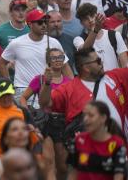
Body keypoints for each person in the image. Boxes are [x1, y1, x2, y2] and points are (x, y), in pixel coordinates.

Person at [39, 47, 128, 145]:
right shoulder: (69, 89)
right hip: (89, 153)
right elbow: (45, 103)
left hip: (120, 150)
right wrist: (47, 83)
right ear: (86, 68)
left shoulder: (115, 76)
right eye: (98, 61)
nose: (101, 63)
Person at [0, 9, 73, 99]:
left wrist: (72, 90)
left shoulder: (54, 42)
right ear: (30, 24)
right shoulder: (16, 43)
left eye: (45, 22)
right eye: (39, 22)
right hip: (23, 89)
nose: (43, 25)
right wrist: (9, 86)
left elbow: (65, 66)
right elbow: (2, 63)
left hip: (46, 89)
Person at [19, 48, 70, 179]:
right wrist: (27, 115)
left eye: (60, 57)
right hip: (45, 122)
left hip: (63, 123)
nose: (58, 60)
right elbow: (23, 98)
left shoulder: (69, 81)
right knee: (49, 162)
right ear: (48, 61)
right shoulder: (40, 79)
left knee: (63, 166)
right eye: (54, 58)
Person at [67, 101, 126, 180]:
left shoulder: (117, 144)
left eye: (91, 115)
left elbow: (119, 176)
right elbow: (73, 172)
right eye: (84, 115)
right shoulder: (78, 140)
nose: (86, 119)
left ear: (103, 118)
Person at [74, 3, 128, 70]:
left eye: (92, 15)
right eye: (86, 19)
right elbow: (85, 51)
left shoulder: (115, 35)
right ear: (81, 23)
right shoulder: (78, 39)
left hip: (114, 79)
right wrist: (95, 30)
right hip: (94, 80)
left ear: (96, 15)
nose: (90, 20)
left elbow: (125, 64)